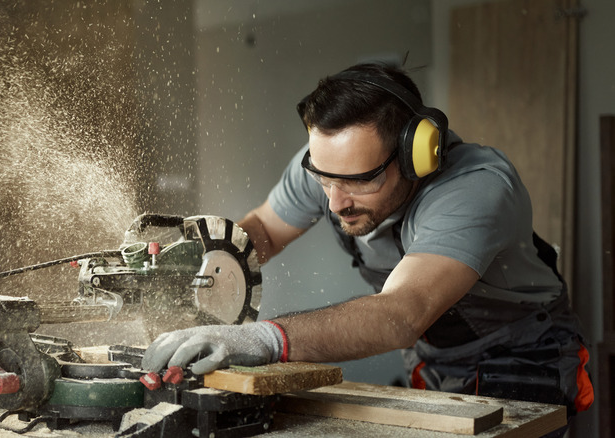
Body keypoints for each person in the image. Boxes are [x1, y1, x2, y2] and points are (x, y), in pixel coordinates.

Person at [141, 63, 594, 423]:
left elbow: (402, 313)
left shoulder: (476, 190)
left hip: (521, 353)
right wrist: (201, 267)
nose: (336, 203)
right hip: (433, 354)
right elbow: (263, 231)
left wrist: (260, 338)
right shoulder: (326, 167)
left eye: (359, 181)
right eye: (323, 179)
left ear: (415, 154)